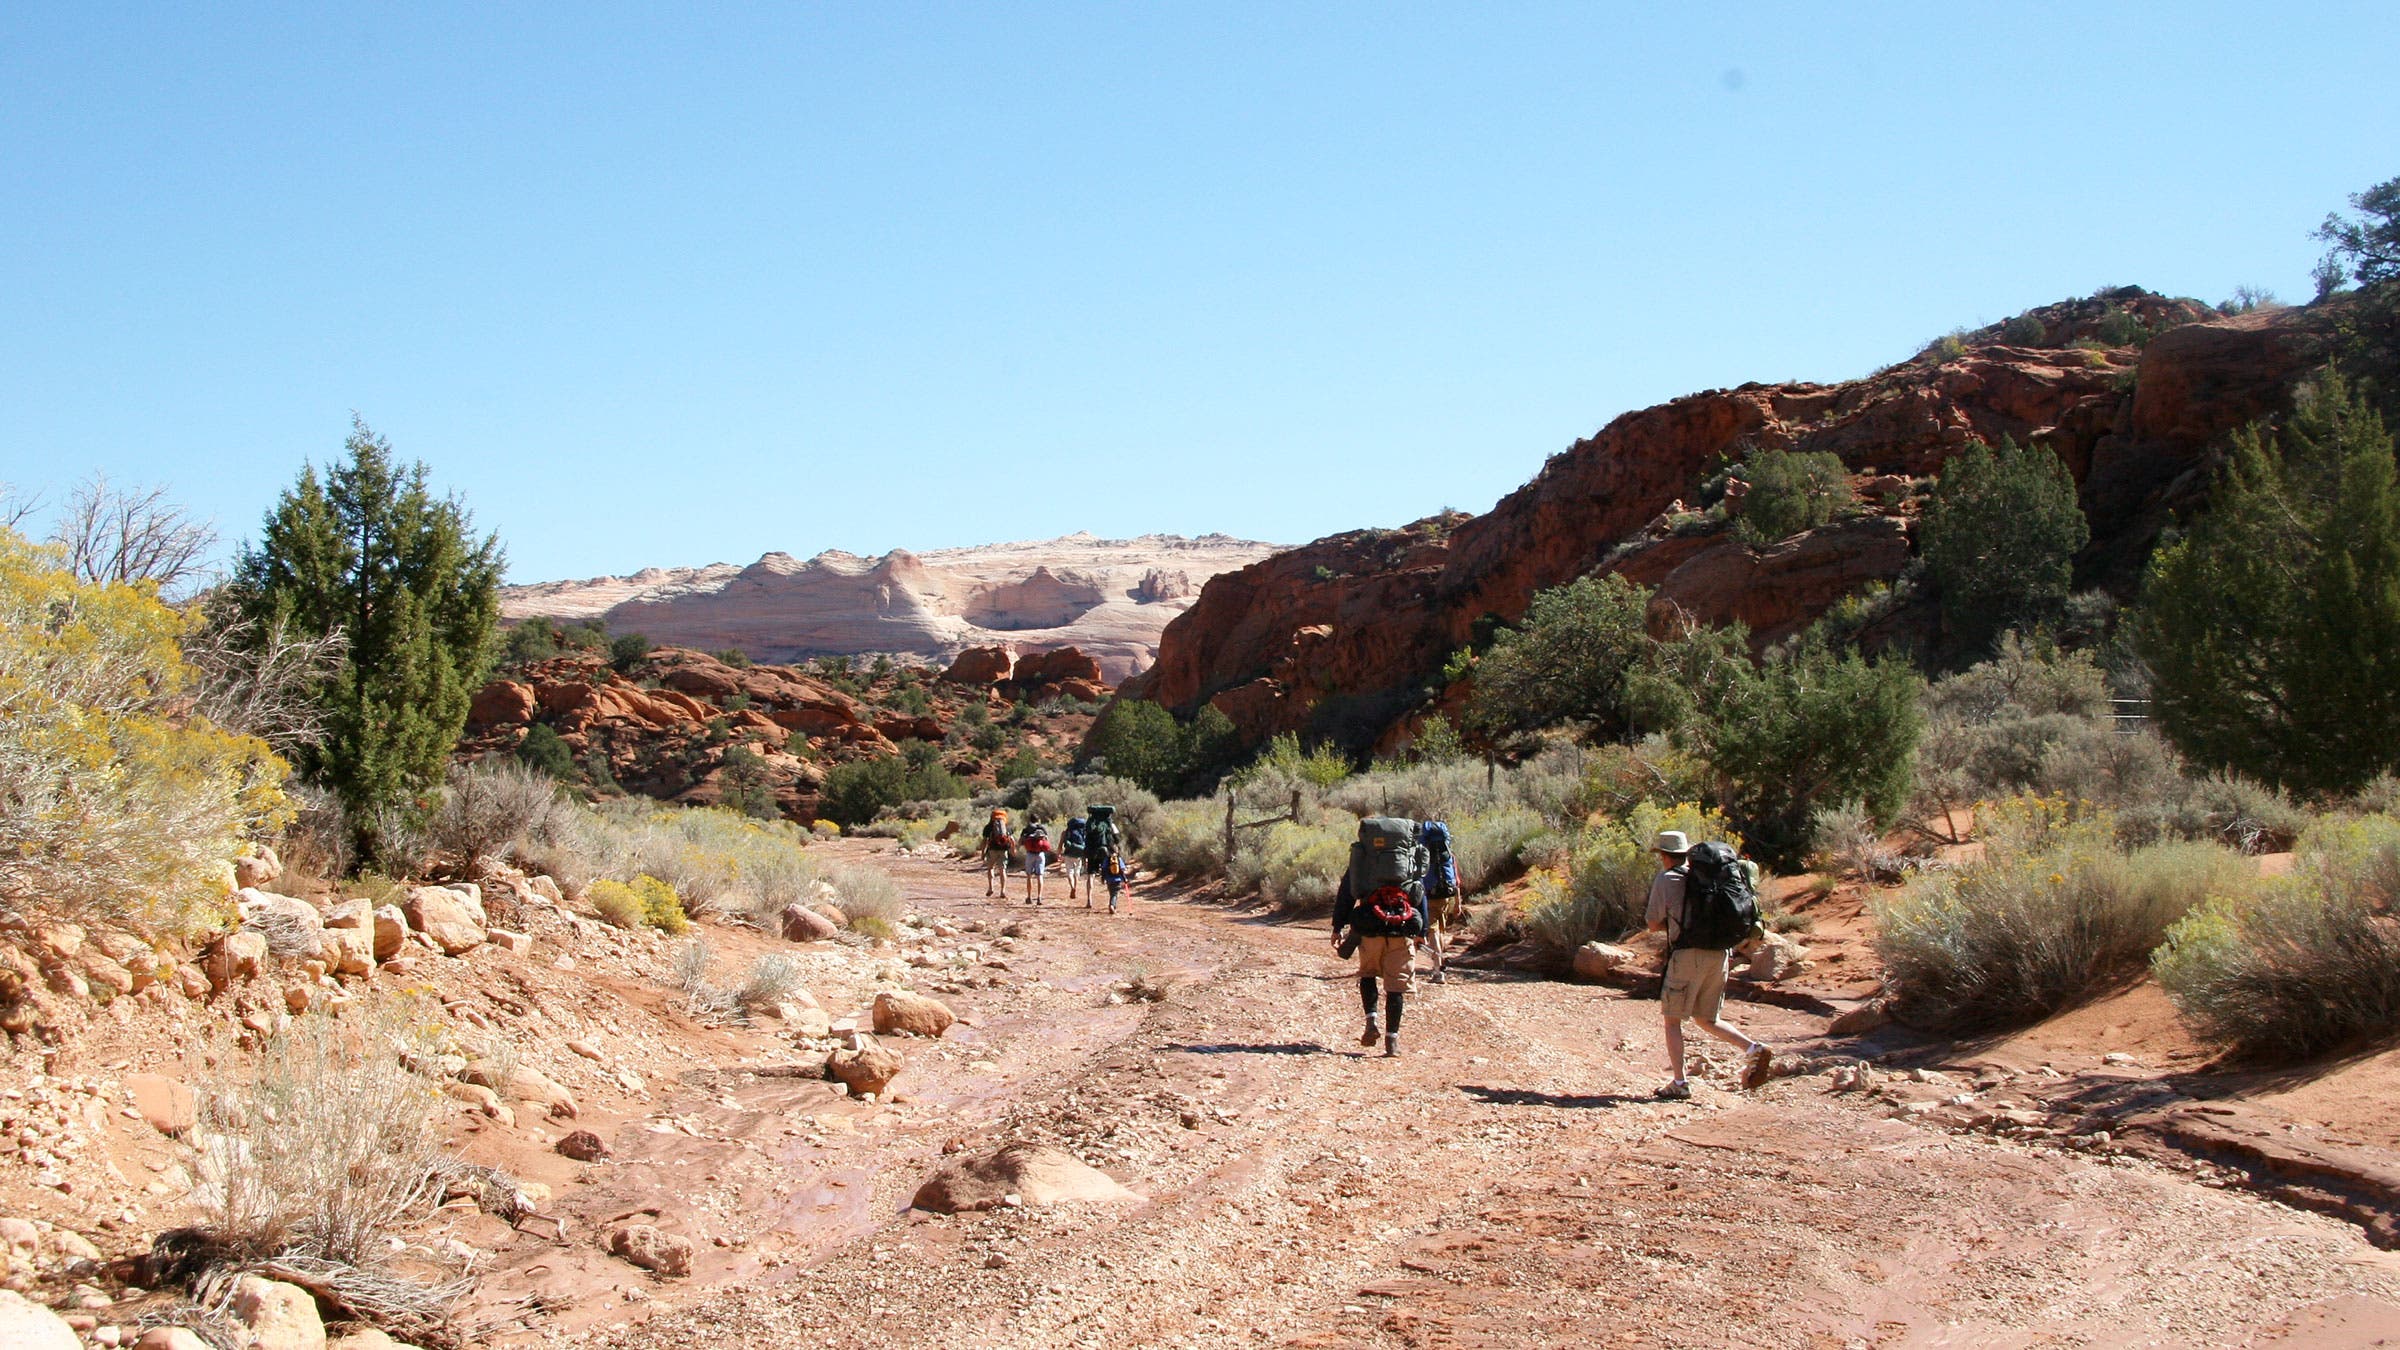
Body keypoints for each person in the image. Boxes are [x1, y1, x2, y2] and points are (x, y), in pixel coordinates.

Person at [1643, 830, 1773, 1099]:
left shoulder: (1668, 878)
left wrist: (1675, 921)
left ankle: (1679, 1083)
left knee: (1672, 1020)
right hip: (1721, 953)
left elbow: (1653, 923)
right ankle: (1753, 1048)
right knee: (1707, 1018)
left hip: (1688, 953)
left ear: (1665, 856)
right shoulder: (1710, 877)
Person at [1331, 851, 1428, 1058]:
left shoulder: (1363, 859)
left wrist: (1338, 926)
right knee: (1395, 986)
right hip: (1401, 929)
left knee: (1368, 974)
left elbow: (1346, 894)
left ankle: (1371, 1022)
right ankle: (1391, 1040)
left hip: (1369, 928)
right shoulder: (1408, 859)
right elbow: (1420, 892)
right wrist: (1422, 930)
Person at [1417, 819, 1459, 985]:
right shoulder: (1448, 854)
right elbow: (1456, 881)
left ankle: (1438, 970)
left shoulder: (1421, 855)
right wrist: (1458, 903)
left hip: (1429, 895)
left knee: (1433, 931)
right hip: (1446, 896)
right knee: (1440, 930)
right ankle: (1439, 965)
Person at [979, 808, 1014, 898]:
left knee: (990, 868)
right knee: (1002, 870)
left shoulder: (989, 827)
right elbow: (1012, 840)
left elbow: (984, 841)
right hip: (1003, 850)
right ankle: (1003, 891)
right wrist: (1013, 850)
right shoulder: (1007, 827)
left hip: (992, 850)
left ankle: (991, 888)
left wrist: (982, 853)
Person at [1019, 818, 1052, 905]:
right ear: (1038, 820)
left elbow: (1021, 841)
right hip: (1040, 854)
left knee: (1029, 876)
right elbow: (1047, 841)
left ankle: (1029, 897)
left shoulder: (1026, 829)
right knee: (1040, 876)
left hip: (1030, 854)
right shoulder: (1042, 828)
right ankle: (1039, 897)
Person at [1060, 815, 1090, 899]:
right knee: (1077, 872)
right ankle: (1075, 888)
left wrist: (1058, 853)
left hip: (1068, 854)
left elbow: (1061, 844)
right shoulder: (1083, 832)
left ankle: (1072, 887)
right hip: (1079, 855)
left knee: (1069, 872)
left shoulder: (1066, 832)